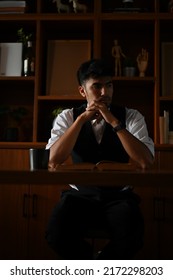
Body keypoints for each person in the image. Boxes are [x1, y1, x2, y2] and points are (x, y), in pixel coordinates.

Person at [45, 58, 154, 260]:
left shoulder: (132, 116)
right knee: (55, 234)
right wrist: (81, 120)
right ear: (82, 91)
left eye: (109, 85)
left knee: (133, 238)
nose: (105, 93)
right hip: (79, 196)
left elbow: (145, 162)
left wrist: (113, 121)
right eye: (97, 86)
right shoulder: (67, 117)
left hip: (119, 196)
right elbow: (53, 160)